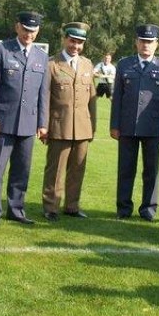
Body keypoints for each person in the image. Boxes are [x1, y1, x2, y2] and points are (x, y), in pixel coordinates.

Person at [0, 11, 49, 226]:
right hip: (3, 122)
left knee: (22, 170)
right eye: (26, 29)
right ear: (17, 27)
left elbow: (43, 94)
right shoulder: (2, 50)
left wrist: (42, 122)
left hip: (29, 124)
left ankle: (16, 209)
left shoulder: (41, 56)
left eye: (33, 30)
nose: (29, 34)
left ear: (38, 31)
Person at [110, 24, 159, 221]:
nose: (146, 45)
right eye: (143, 41)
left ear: (156, 44)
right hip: (127, 126)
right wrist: (114, 125)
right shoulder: (124, 64)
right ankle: (123, 208)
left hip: (153, 128)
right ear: (136, 42)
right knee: (126, 169)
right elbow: (117, 98)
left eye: (150, 42)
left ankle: (148, 209)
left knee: (151, 171)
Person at [41, 22, 97, 221]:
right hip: (59, 125)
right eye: (73, 41)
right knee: (55, 169)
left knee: (77, 169)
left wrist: (93, 126)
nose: (76, 46)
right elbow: (45, 98)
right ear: (65, 39)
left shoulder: (87, 64)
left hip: (82, 126)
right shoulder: (51, 64)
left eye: (80, 43)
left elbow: (92, 97)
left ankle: (72, 206)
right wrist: (44, 125)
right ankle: (51, 207)